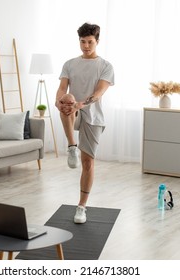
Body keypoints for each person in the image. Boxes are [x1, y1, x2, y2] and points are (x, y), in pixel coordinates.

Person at [55, 22, 114, 224]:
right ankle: (72, 147)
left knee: (88, 162)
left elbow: (98, 93)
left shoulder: (105, 66)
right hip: (73, 110)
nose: (86, 46)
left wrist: (79, 105)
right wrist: (59, 102)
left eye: (90, 42)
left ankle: (81, 207)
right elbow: (62, 88)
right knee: (67, 98)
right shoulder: (70, 64)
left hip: (92, 116)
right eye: (82, 41)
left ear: (97, 41)